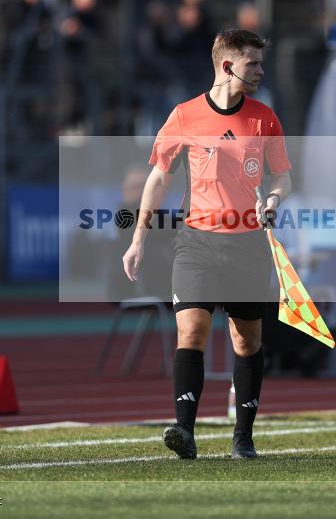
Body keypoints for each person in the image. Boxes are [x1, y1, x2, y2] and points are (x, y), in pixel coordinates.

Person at [122, 29, 292, 460]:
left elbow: (282, 176)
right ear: (228, 65)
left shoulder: (265, 118)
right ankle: (184, 432)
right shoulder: (183, 116)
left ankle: (243, 438)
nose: (260, 70)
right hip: (196, 243)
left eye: (260, 63)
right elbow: (158, 178)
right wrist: (138, 237)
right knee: (191, 331)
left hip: (248, 245)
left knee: (246, 342)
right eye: (253, 63)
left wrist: (273, 199)